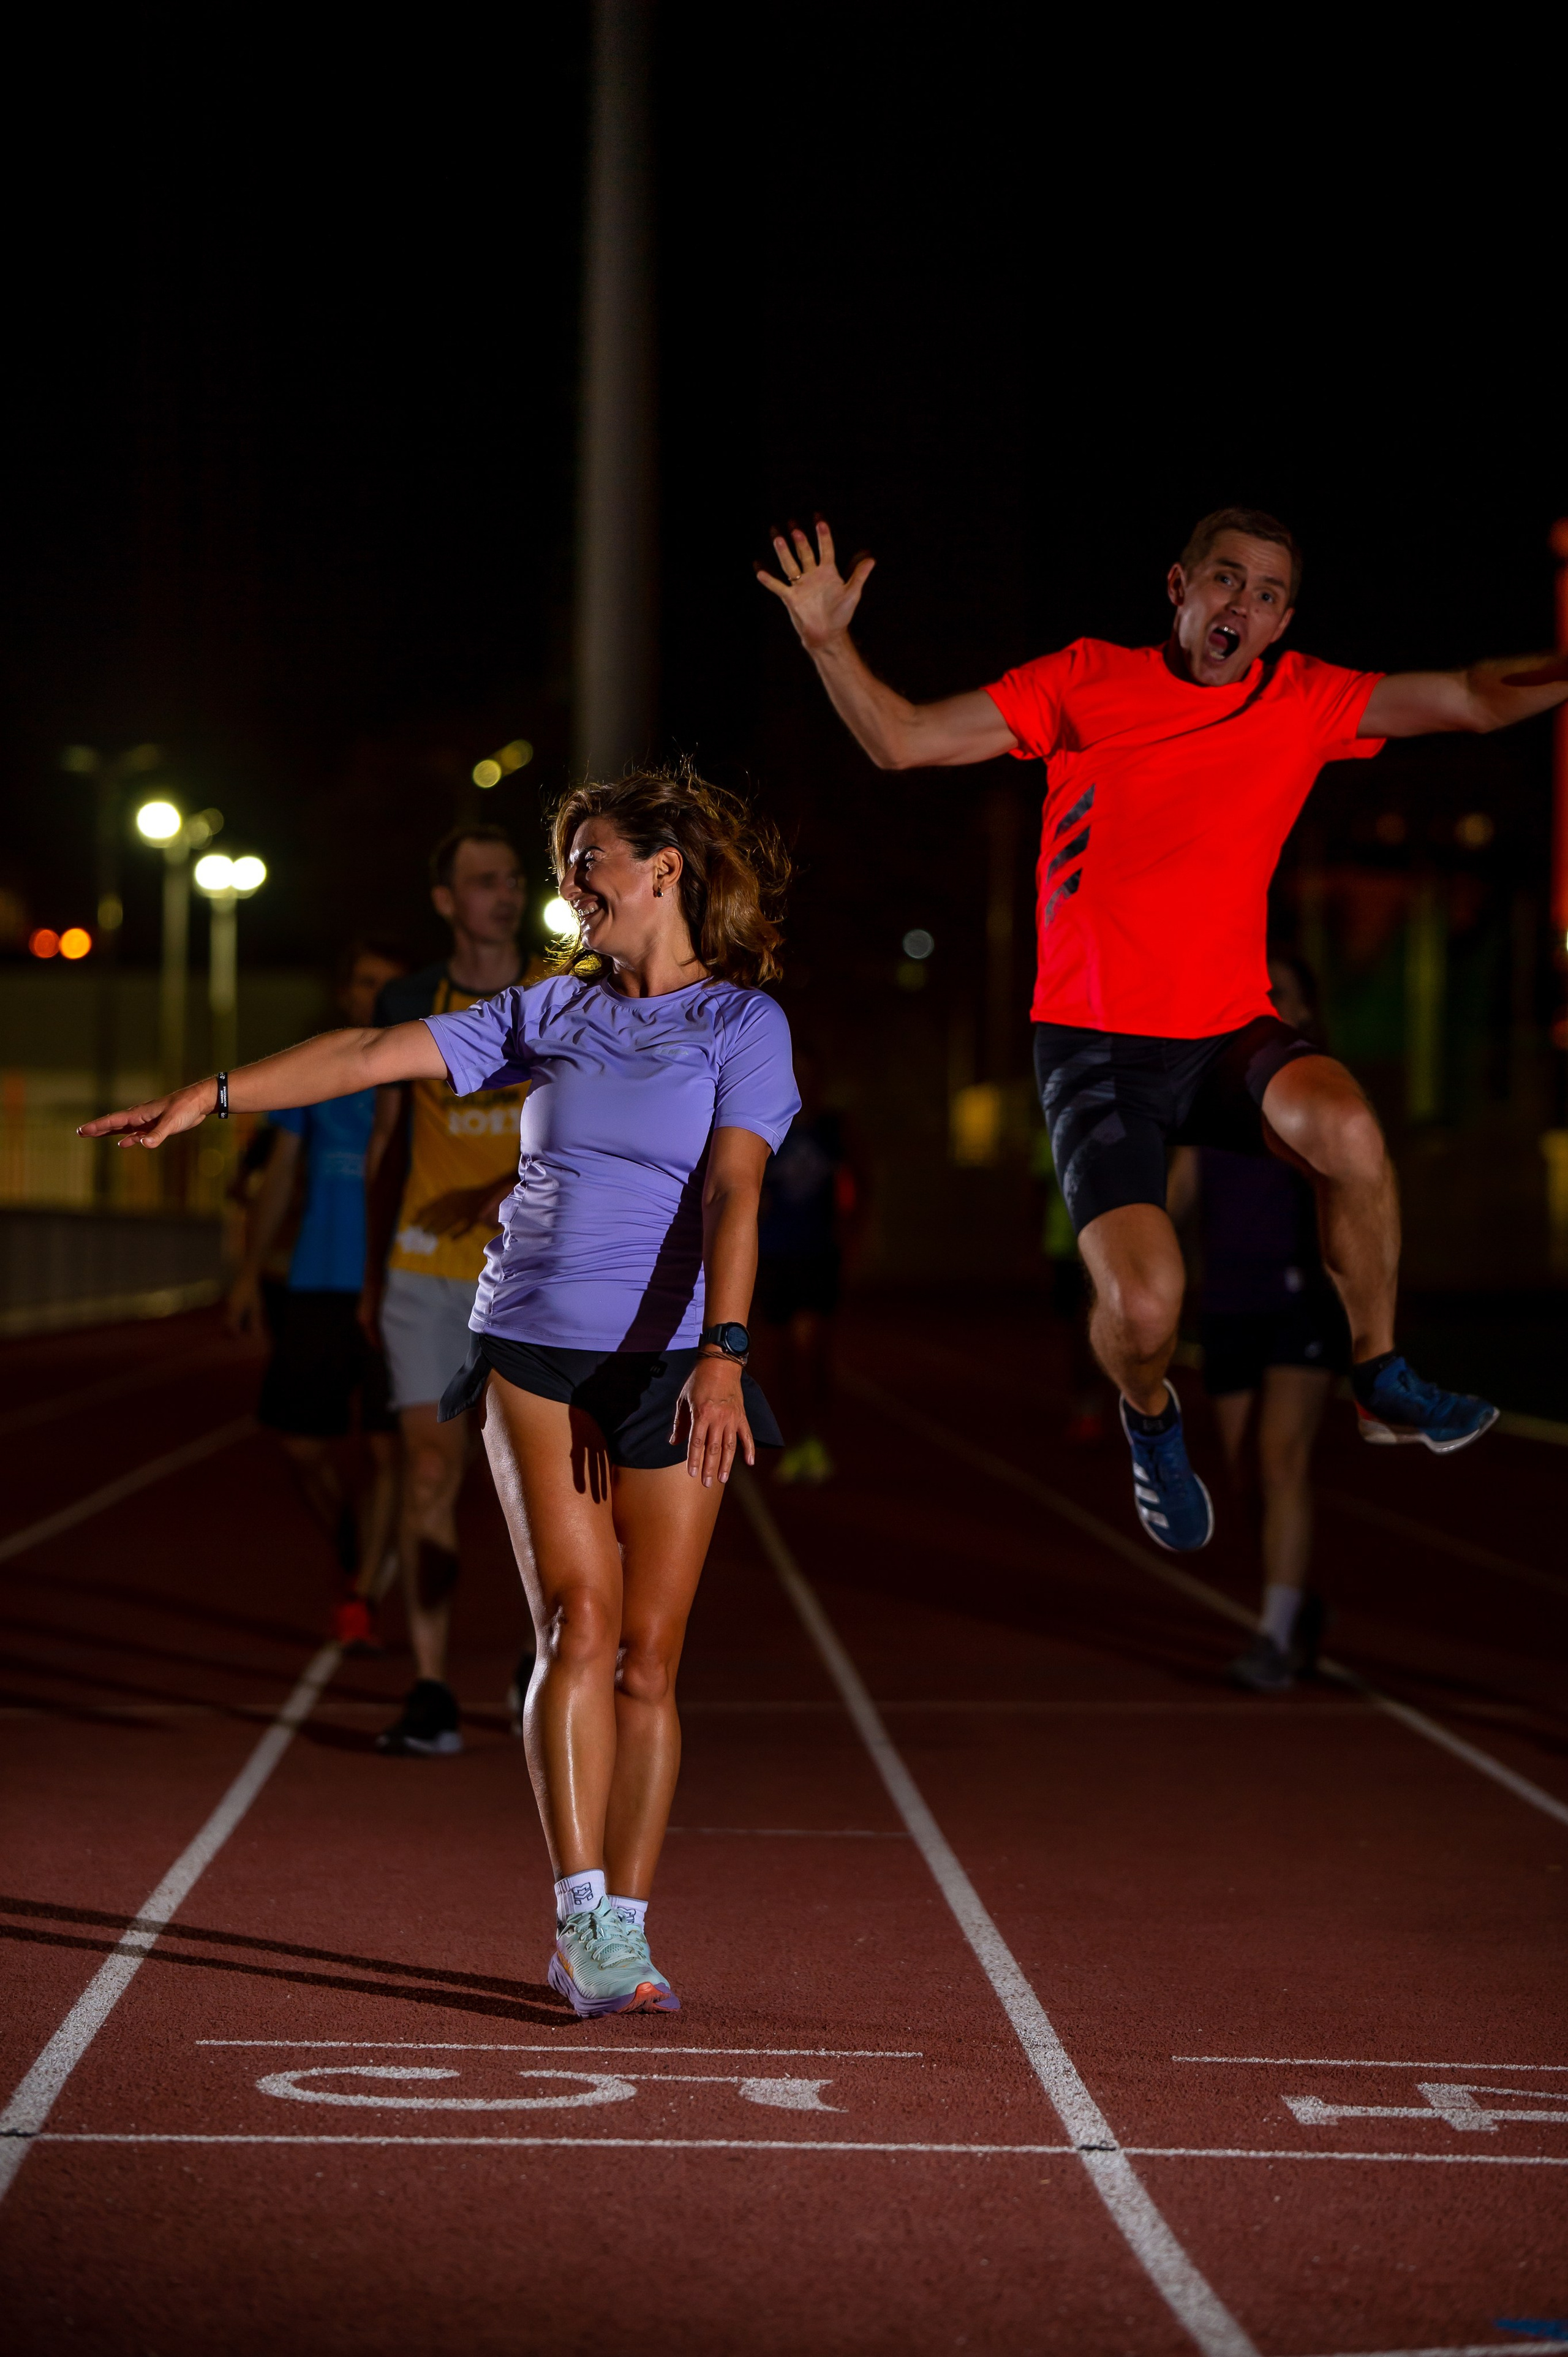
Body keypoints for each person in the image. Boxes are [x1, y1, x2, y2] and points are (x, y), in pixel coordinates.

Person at [84, 768, 799, 2017]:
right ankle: (582, 1923)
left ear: (663, 872)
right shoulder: (547, 1008)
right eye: (562, 864)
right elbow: (368, 1052)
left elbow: (736, 1191)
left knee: (650, 1656)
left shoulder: (743, 1026)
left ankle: (629, 1918)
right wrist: (210, 1095)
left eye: (590, 861)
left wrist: (726, 1351)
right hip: (531, 1340)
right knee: (576, 1625)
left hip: (678, 1356)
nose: (570, 886)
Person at [758, 507, 1568, 1549]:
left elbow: (1467, 696)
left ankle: (1376, 1375)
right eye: (1227, 580)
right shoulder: (1085, 680)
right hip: (1095, 1046)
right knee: (1145, 1310)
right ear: (1178, 589)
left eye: (1268, 594)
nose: (1245, 605)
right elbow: (902, 739)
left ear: (1282, 623)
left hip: (1228, 1030)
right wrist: (829, 642)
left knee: (1352, 1133)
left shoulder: (1305, 698)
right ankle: (1149, 1418)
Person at [360, 826, 542, 1757]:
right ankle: (430, 1684)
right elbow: (386, 1147)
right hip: (424, 1273)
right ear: (445, 900)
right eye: (483, 882)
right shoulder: (409, 1001)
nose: (504, 895)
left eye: (513, 878)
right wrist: (369, 1269)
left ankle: (534, 1661)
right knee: (431, 1473)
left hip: (536, 1279)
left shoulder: (564, 993)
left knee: (540, 1489)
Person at [1167, 956, 1346, 1693]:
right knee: (1245, 1478)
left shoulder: (1320, 1089)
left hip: (1301, 1297)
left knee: (1280, 1461)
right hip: (1227, 1303)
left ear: (1303, 1013)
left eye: (1283, 994)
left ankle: (1271, 1636)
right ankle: (1294, 1602)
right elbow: (1176, 1190)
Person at [226, 937, 410, 1646]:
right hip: (314, 1280)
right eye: (362, 982)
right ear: (344, 993)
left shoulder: (423, 1076)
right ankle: (353, 1536)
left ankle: (362, 1590)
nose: (372, 996)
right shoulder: (320, 1077)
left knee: (391, 1451)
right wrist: (248, 1273)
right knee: (302, 1443)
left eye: (386, 985)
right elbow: (278, 1180)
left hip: (395, 1285)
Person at [755, 1050, 864, 1483]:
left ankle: (816, 1436)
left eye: (808, 1076)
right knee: (779, 1354)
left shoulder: (832, 1129)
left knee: (812, 1347)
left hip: (817, 1254)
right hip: (775, 1254)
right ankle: (795, 1439)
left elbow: (858, 1179)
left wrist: (852, 1231)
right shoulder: (768, 1128)